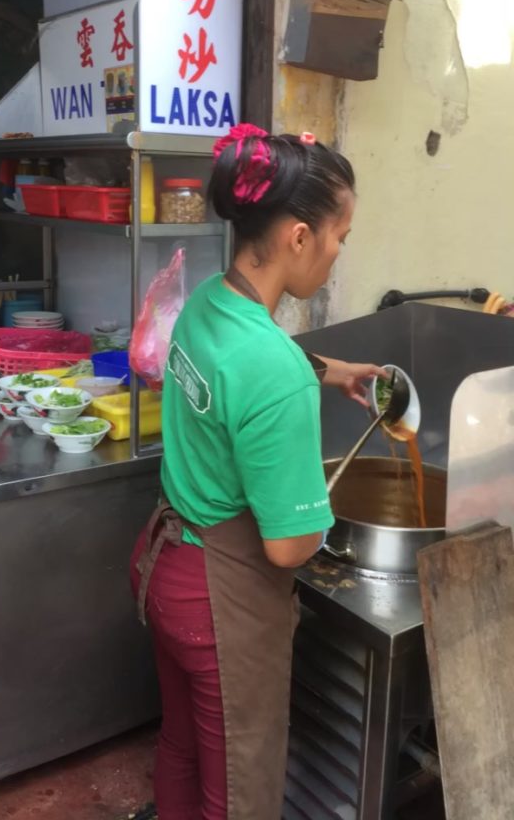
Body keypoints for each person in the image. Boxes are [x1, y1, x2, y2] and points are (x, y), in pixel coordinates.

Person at [130, 124, 386, 820]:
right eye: (340, 237)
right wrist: (318, 515)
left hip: (165, 571)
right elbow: (286, 548)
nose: (337, 255)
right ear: (299, 237)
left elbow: (247, 361)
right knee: (241, 790)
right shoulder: (274, 374)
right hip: (223, 604)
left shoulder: (210, 301)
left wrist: (334, 372)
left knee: (182, 748)